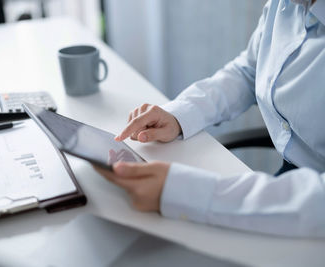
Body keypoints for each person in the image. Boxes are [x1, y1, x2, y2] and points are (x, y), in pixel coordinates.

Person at [95, 0, 325, 238]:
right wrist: (180, 114)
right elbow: (248, 71)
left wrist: (187, 193)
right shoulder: (286, 4)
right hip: (286, 183)